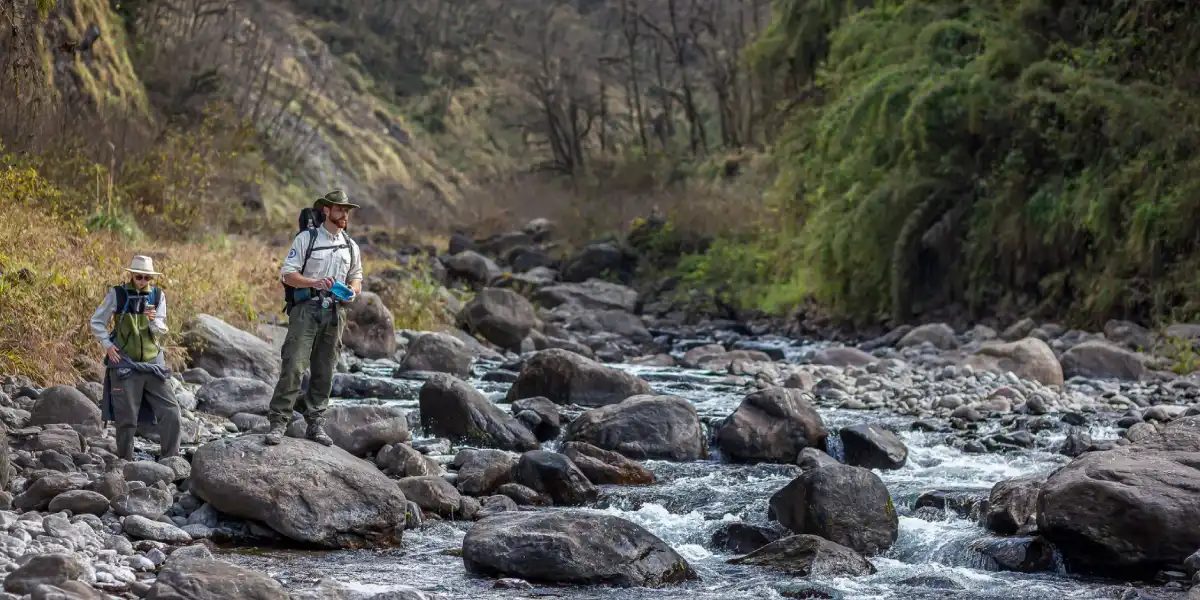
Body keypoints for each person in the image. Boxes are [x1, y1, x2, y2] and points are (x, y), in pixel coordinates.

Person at [266, 189, 363, 445]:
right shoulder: (306, 239)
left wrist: (351, 291)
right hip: (305, 310)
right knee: (294, 367)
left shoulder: (351, 246)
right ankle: (278, 423)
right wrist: (315, 282)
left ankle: (315, 424)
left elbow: (357, 277)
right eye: (340, 209)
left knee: (325, 370)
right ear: (327, 210)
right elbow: (288, 275)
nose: (345, 214)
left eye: (347, 210)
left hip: (334, 313)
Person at [89, 255, 182, 461]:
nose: (142, 282)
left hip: (152, 363)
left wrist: (152, 321)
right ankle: (125, 462)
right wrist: (108, 345)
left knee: (172, 411)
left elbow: (161, 329)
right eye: (139, 277)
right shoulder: (118, 294)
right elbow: (96, 321)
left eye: (147, 278)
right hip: (125, 364)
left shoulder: (158, 296)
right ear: (131, 275)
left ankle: (171, 459)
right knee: (126, 419)